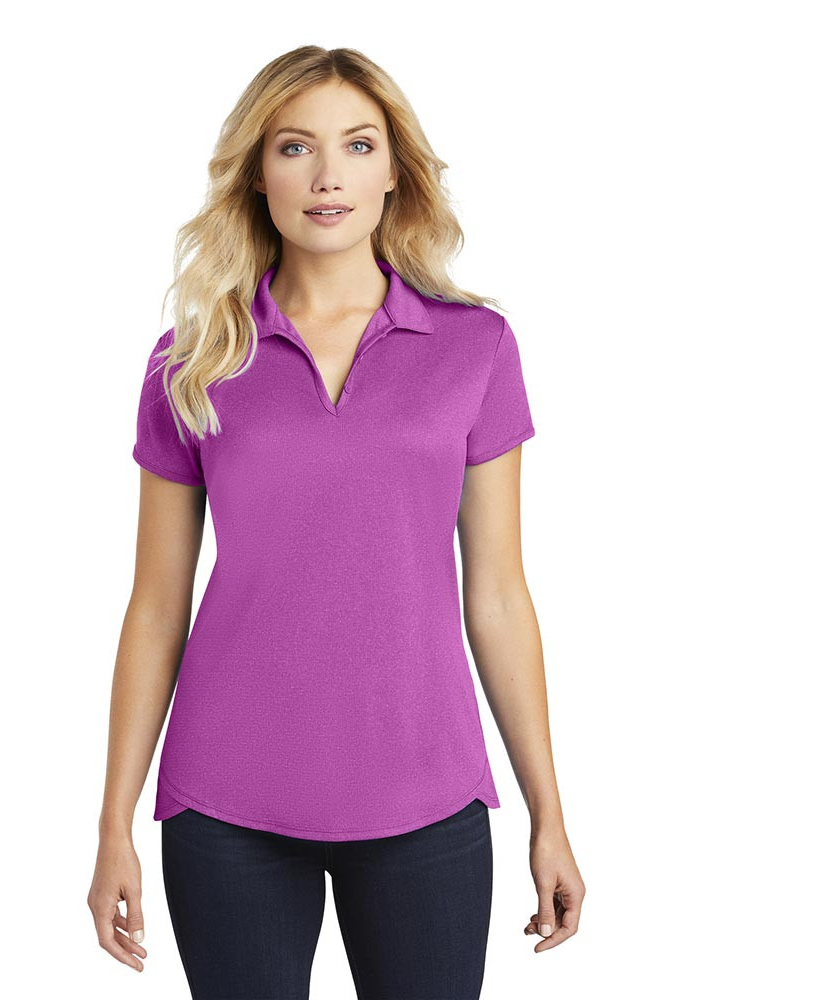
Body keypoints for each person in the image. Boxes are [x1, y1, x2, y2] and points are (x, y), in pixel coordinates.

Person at [87, 45, 585, 1000]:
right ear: (256, 173)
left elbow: (497, 593)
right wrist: (114, 821)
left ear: (394, 171)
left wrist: (548, 813)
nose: (327, 176)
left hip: (426, 795)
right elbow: (155, 605)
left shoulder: (474, 347)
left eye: (358, 146)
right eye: (295, 147)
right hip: (226, 802)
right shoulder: (191, 360)